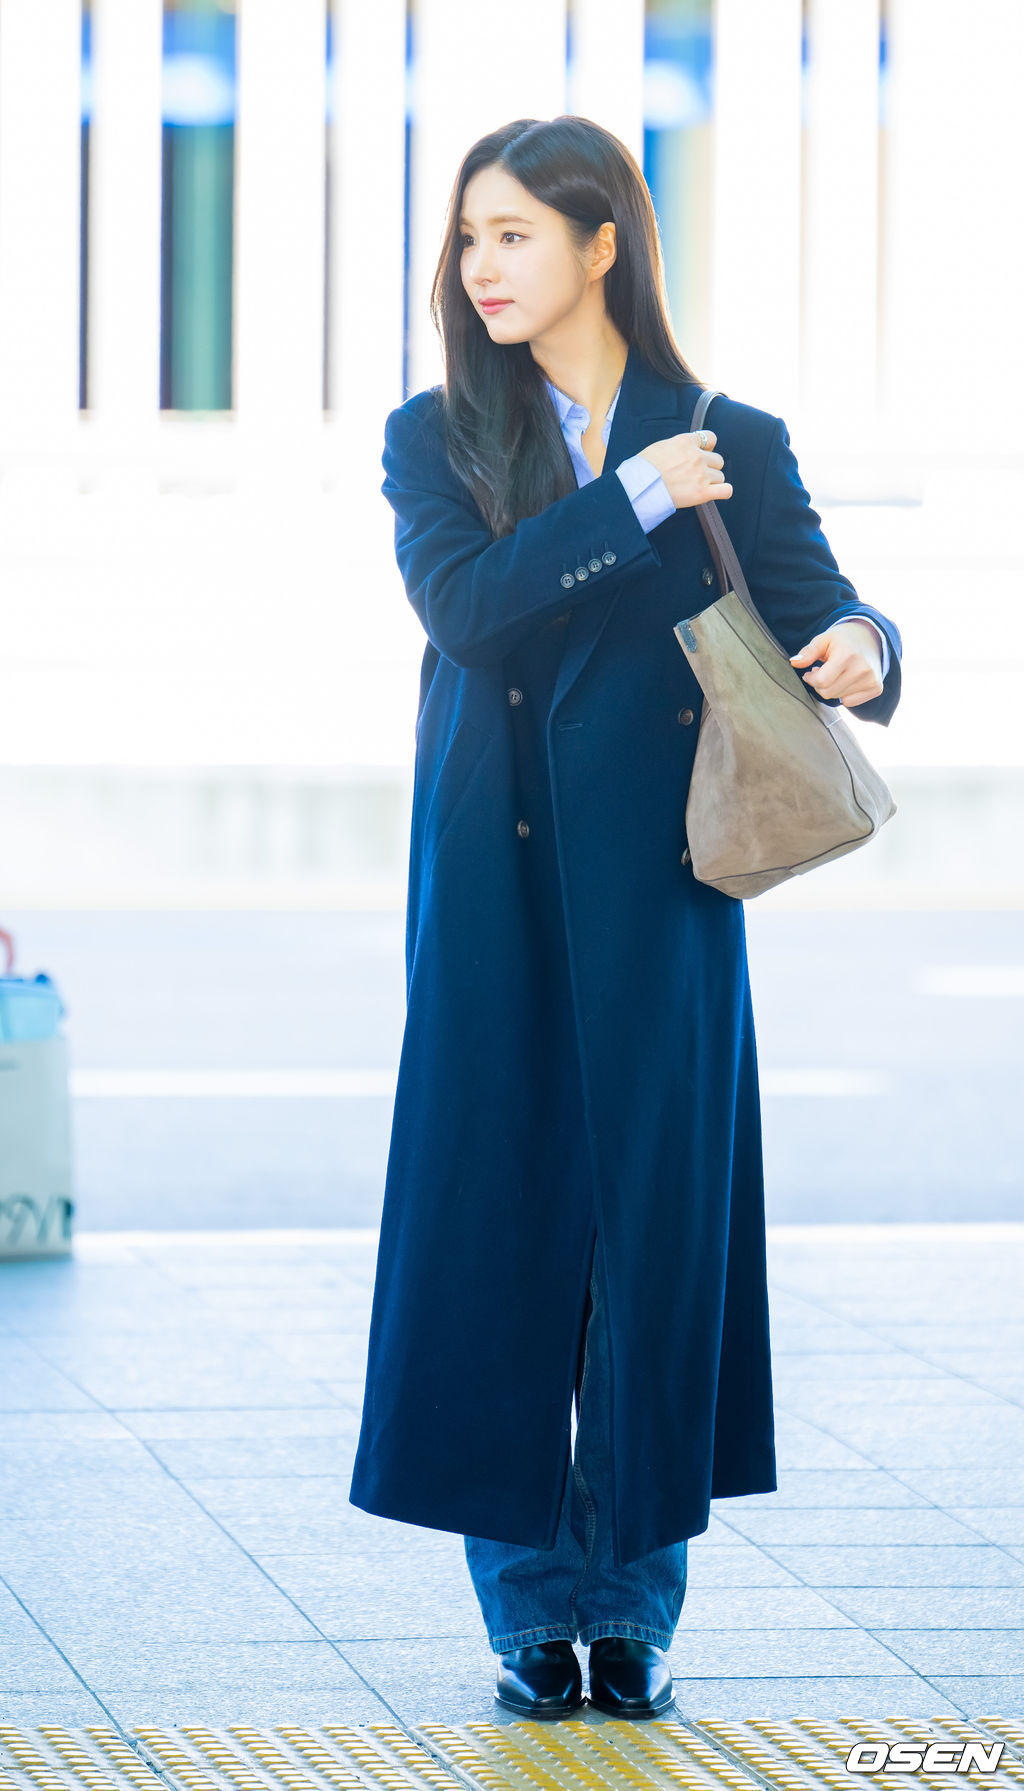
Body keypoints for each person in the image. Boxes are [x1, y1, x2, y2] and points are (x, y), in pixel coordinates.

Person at [349, 115, 902, 1720]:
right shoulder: (435, 435)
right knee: (506, 1231)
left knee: (652, 1244)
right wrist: (626, 502)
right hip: (498, 886)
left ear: (603, 245)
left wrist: (868, 643)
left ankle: (633, 1613)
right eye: (470, 237)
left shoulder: (728, 434)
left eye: (515, 233)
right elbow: (466, 610)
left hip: (666, 887)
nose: (482, 266)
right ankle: (533, 1609)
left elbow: (817, 599)